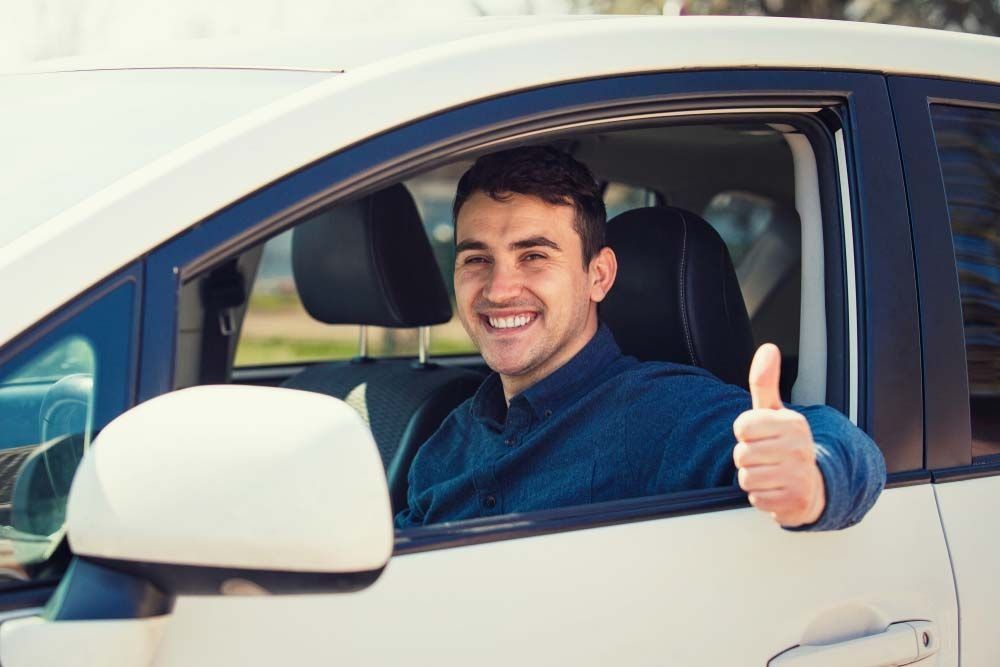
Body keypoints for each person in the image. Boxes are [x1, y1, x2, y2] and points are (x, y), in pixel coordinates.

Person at [394, 145, 885, 530]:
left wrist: (812, 474)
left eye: (534, 256)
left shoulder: (659, 413)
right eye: (477, 259)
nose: (499, 290)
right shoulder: (448, 441)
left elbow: (841, 444)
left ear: (598, 276)